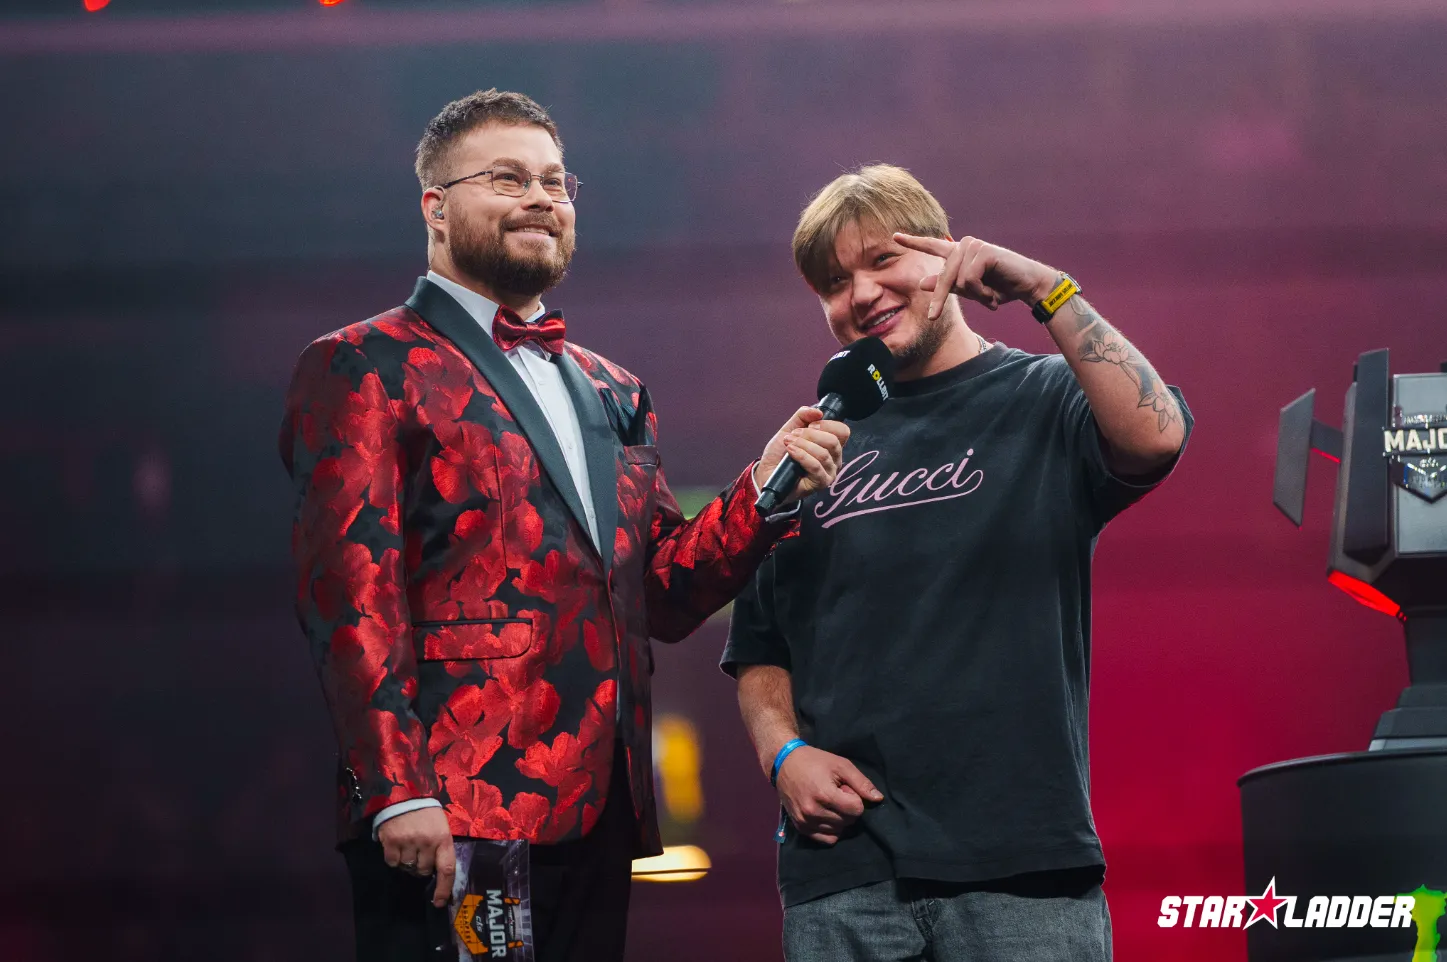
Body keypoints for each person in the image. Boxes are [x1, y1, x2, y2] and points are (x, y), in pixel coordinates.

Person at [279, 89, 849, 962]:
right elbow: (349, 595)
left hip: (599, 799)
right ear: (435, 207)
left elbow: (659, 594)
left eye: (555, 181)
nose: (541, 198)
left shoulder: (611, 387)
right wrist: (395, 788)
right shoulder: (361, 362)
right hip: (455, 798)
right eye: (508, 179)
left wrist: (763, 491)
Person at [721, 164, 1194, 961]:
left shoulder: (1042, 395)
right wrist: (783, 754)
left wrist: (1046, 289)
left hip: (1021, 867)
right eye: (833, 283)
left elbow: (1156, 436)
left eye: (882, 260)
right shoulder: (808, 446)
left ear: (943, 252)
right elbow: (759, 645)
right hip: (843, 877)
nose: (861, 294)